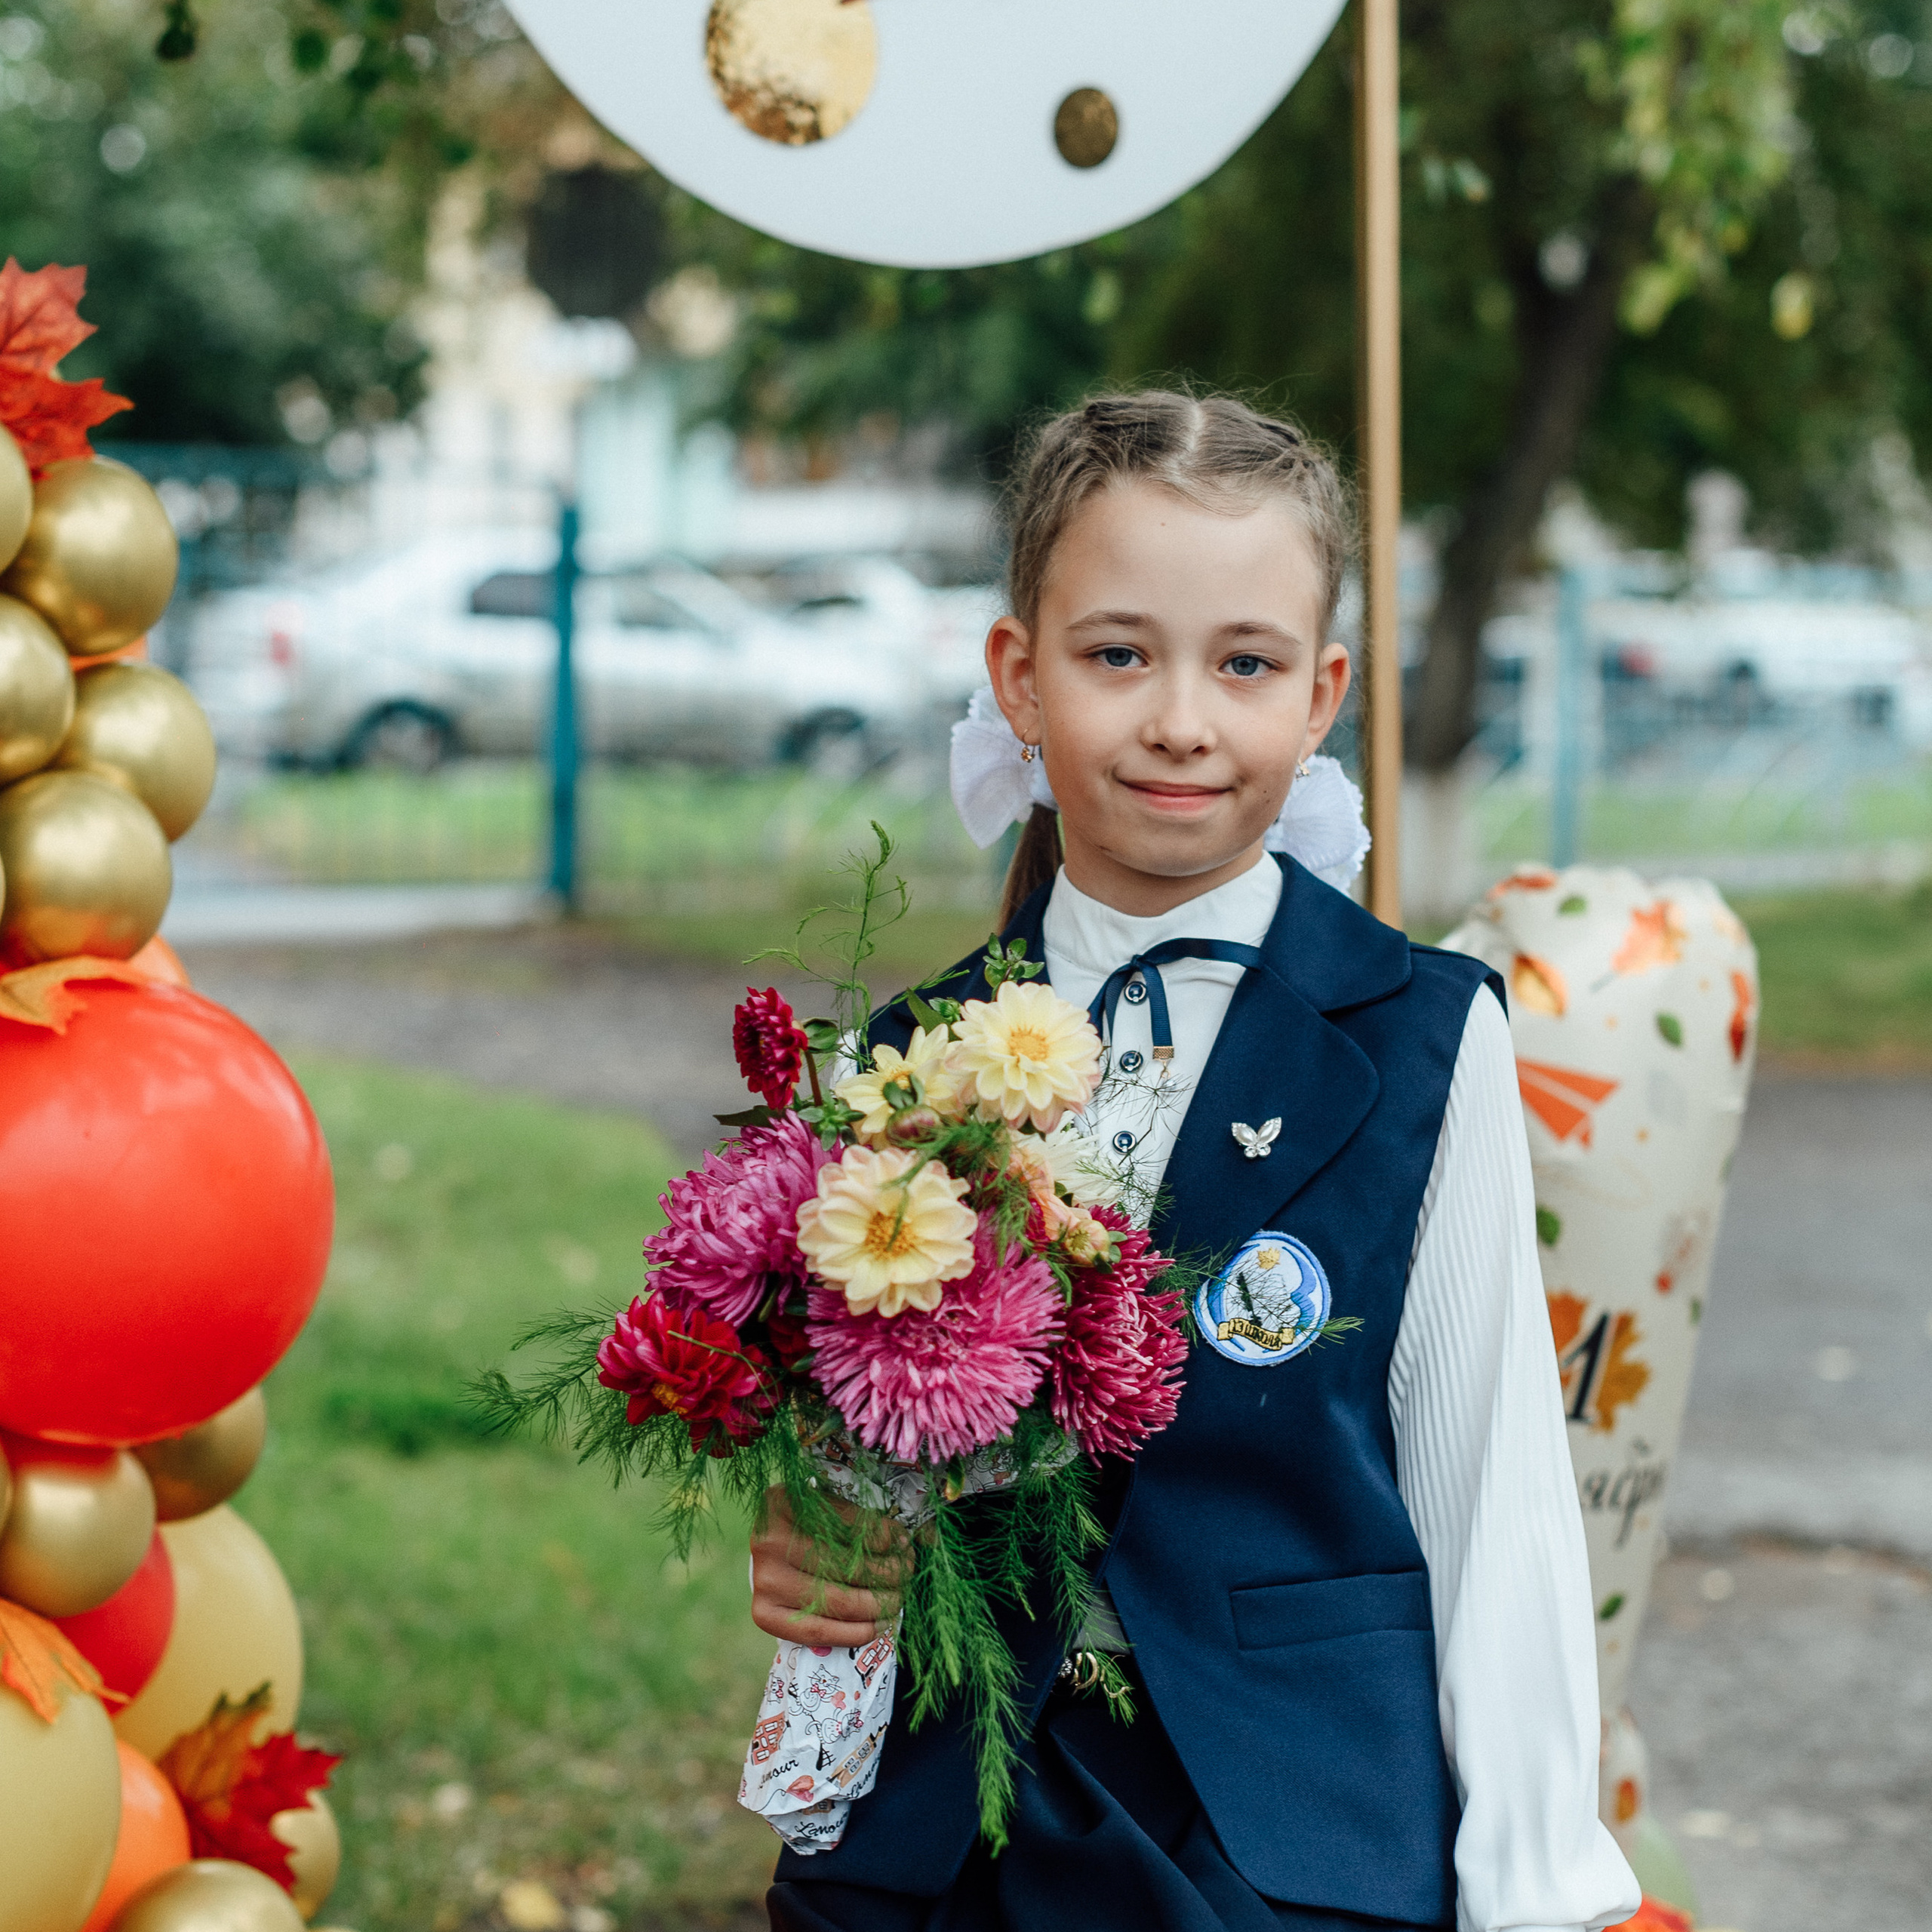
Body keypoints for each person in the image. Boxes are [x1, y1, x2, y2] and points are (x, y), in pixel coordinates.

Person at [751, 390, 1640, 1932]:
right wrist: (817, 1535)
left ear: (1320, 694)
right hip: (960, 1828)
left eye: (1243, 662)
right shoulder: (904, 1059)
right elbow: (868, 1472)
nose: (1179, 718)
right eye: (1116, 654)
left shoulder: (1420, 1036)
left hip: (1289, 1837)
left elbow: (1489, 1482)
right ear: (1018, 678)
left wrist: (1539, 1893)